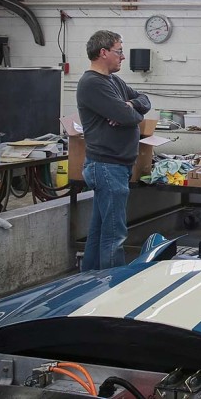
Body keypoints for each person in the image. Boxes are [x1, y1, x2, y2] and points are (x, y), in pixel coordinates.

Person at [76, 30, 151, 271]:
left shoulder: (114, 81)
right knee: (114, 235)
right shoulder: (92, 84)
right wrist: (128, 111)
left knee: (100, 232)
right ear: (103, 52)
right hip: (107, 166)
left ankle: (87, 281)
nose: (123, 57)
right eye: (119, 51)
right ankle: (111, 288)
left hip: (115, 166)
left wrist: (129, 105)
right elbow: (128, 117)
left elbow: (144, 100)